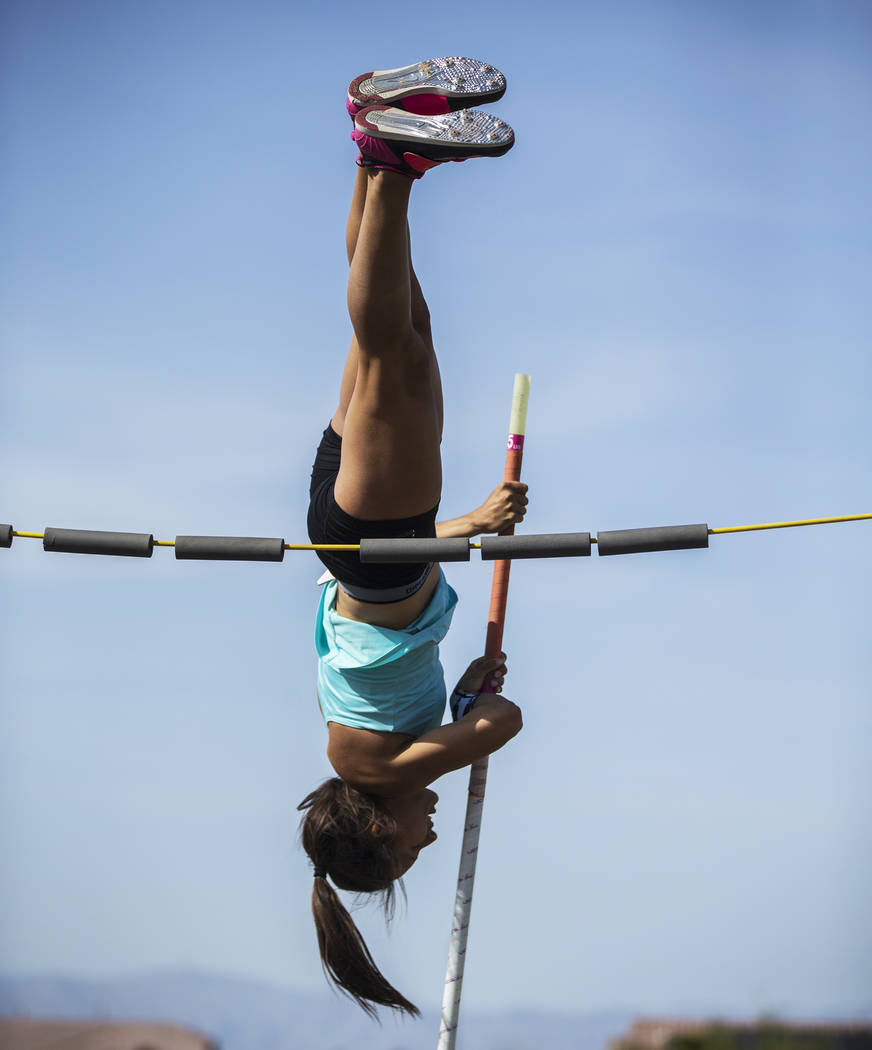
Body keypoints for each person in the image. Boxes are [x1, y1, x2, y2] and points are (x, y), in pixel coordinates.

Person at [298, 58, 525, 1019]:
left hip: (379, 548)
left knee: (393, 348)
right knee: (407, 331)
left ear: (375, 832)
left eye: (405, 854)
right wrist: (463, 528)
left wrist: (465, 724)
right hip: (362, 545)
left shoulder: (384, 767)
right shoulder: (359, 752)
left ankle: (391, 156)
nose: (424, 844)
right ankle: (372, 143)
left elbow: (504, 724)